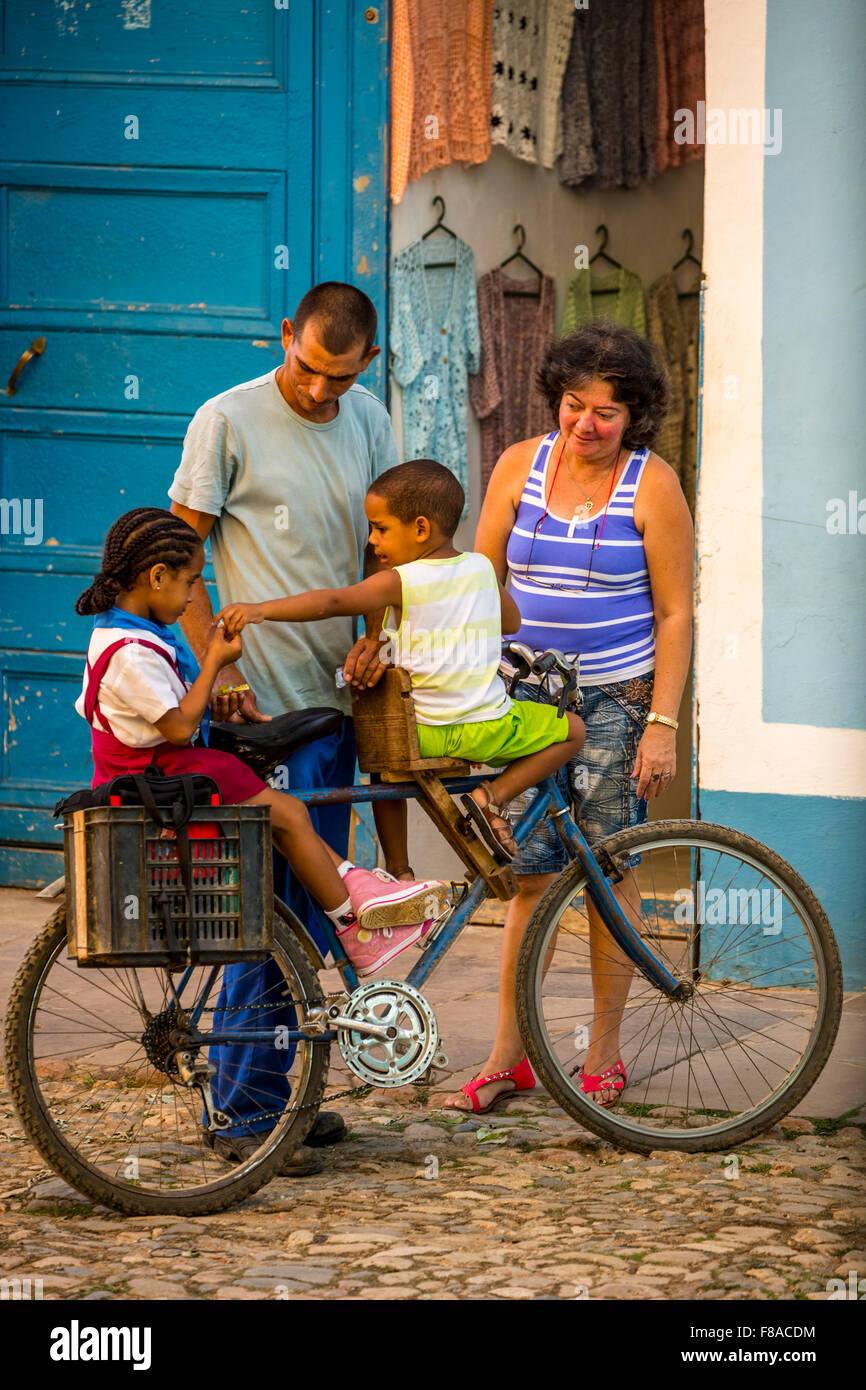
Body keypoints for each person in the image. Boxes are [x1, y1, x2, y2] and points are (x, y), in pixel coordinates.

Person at [73, 508, 450, 1154]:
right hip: (169, 771)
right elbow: (172, 729)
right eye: (189, 584)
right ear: (155, 576)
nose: (196, 597)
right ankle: (352, 919)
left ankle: (276, 1091)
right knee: (289, 818)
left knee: (287, 845)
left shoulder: (127, 634)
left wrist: (214, 689)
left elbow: (160, 710)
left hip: (175, 762)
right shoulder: (128, 646)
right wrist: (217, 660)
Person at [217, 458, 586, 1115]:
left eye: (380, 530)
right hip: (477, 733)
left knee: (384, 769)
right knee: (574, 732)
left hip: (417, 735)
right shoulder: (475, 568)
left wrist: (260, 610)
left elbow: (333, 603)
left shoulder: (400, 583)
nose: (373, 543)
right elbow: (511, 621)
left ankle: (396, 868)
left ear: (419, 529)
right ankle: (492, 799)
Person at [168, 282, 404, 1169]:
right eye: (307, 370)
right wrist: (216, 670)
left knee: (313, 910)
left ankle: (285, 1092)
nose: (318, 393)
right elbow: (179, 558)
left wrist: (376, 642)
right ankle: (242, 1117)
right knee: (266, 912)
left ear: (365, 365)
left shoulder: (371, 418)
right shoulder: (225, 420)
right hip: (257, 712)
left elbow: (388, 552)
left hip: (337, 703)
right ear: (285, 339)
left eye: (337, 379)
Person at [440, 319, 694, 1114]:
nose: (586, 424)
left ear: (634, 418)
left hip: (616, 703)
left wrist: (662, 723)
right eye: (574, 405)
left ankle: (605, 1055)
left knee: (606, 881)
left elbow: (676, 615)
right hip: (525, 705)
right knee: (528, 881)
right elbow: (479, 581)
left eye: (606, 413)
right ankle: (507, 1058)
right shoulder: (519, 464)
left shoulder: (653, 484)